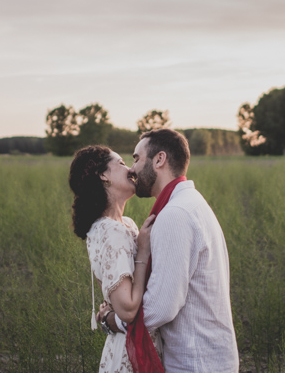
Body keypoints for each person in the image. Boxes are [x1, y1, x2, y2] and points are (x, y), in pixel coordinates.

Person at [124, 128, 239, 373]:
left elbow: (161, 308)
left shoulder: (175, 214)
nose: (131, 169)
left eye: (136, 158)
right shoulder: (193, 202)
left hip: (196, 363)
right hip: (210, 359)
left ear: (159, 159)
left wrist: (114, 319)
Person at [69, 145, 162, 373]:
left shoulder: (125, 224)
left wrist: (108, 316)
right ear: (103, 176)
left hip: (132, 342)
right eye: (121, 163)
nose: (130, 168)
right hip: (130, 355)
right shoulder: (110, 231)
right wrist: (142, 251)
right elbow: (128, 309)